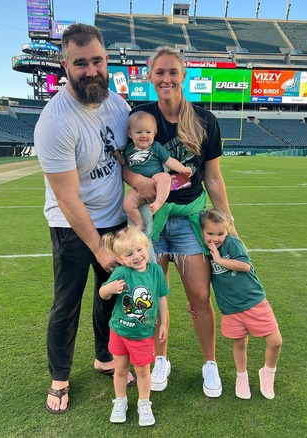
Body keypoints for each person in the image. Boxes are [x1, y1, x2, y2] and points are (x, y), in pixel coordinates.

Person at [33, 23, 134, 414]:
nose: (91, 70)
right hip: (71, 225)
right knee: (67, 302)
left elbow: (121, 159)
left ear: (107, 60)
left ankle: (104, 355)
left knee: (109, 295)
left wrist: (144, 183)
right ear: (64, 65)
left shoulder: (117, 104)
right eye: (80, 63)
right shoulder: (55, 121)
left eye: (97, 61)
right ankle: (59, 376)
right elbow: (66, 196)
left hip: (114, 221)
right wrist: (97, 245)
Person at [125, 46, 236, 397]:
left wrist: (227, 220)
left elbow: (214, 177)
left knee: (201, 297)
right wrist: (138, 182)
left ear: (184, 74)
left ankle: (210, 364)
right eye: (160, 72)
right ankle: (161, 359)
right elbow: (123, 163)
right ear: (150, 76)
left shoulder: (205, 120)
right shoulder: (139, 115)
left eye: (173, 72)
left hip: (190, 220)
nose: (166, 79)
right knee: (151, 294)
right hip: (150, 220)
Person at [200, 209, 282, 400]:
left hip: (254, 302)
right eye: (210, 234)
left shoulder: (232, 243)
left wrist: (219, 259)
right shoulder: (205, 251)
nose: (216, 238)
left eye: (221, 233)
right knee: (239, 343)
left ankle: (268, 372)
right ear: (202, 232)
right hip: (230, 309)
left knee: (276, 342)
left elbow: (245, 266)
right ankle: (241, 377)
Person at [99, 227, 169, 426]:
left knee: (143, 371)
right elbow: (103, 293)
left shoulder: (156, 271)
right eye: (129, 254)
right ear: (120, 259)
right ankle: (120, 401)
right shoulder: (122, 272)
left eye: (139, 250)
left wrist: (164, 323)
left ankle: (144, 403)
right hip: (119, 331)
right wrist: (109, 289)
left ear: (146, 247)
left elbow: (162, 298)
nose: (136, 257)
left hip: (143, 334)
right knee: (120, 369)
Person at [116, 111, 193, 231]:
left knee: (164, 177)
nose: (144, 135)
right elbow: (124, 163)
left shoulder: (156, 147)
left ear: (154, 133)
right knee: (127, 204)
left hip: (155, 177)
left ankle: (158, 202)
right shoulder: (129, 150)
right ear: (130, 134)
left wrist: (182, 169)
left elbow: (169, 161)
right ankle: (139, 224)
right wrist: (117, 154)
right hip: (138, 187)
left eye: (148, 132)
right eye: (139, 132)